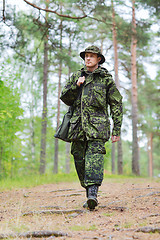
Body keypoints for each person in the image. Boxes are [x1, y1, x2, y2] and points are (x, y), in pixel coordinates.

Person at [60, 45, 123, 210]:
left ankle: (92, 195)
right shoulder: (76, 76)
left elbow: (116, 104)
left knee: (94, 160)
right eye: (86, 56)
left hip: (98, 127)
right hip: (77, 127)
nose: (88, 59)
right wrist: (76, 85)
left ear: (98, 59)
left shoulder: (106, 79)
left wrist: (116, 130)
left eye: (91, 56)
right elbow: (65, 98)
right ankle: (89, 191)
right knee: (79, 159)